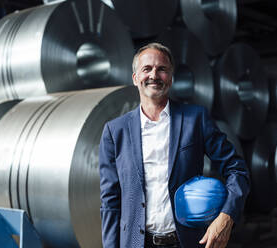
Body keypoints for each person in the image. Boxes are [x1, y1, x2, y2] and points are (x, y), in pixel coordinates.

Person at [99, 43, 250, 248]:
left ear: (170, 78)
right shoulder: (115, 131)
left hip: (187, 242)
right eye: (147, 69)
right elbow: (110, 202)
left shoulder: (195, 119)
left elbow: (237, 169)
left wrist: (226, 217)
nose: (154, 75)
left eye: (162, 69)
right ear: (135, 78)